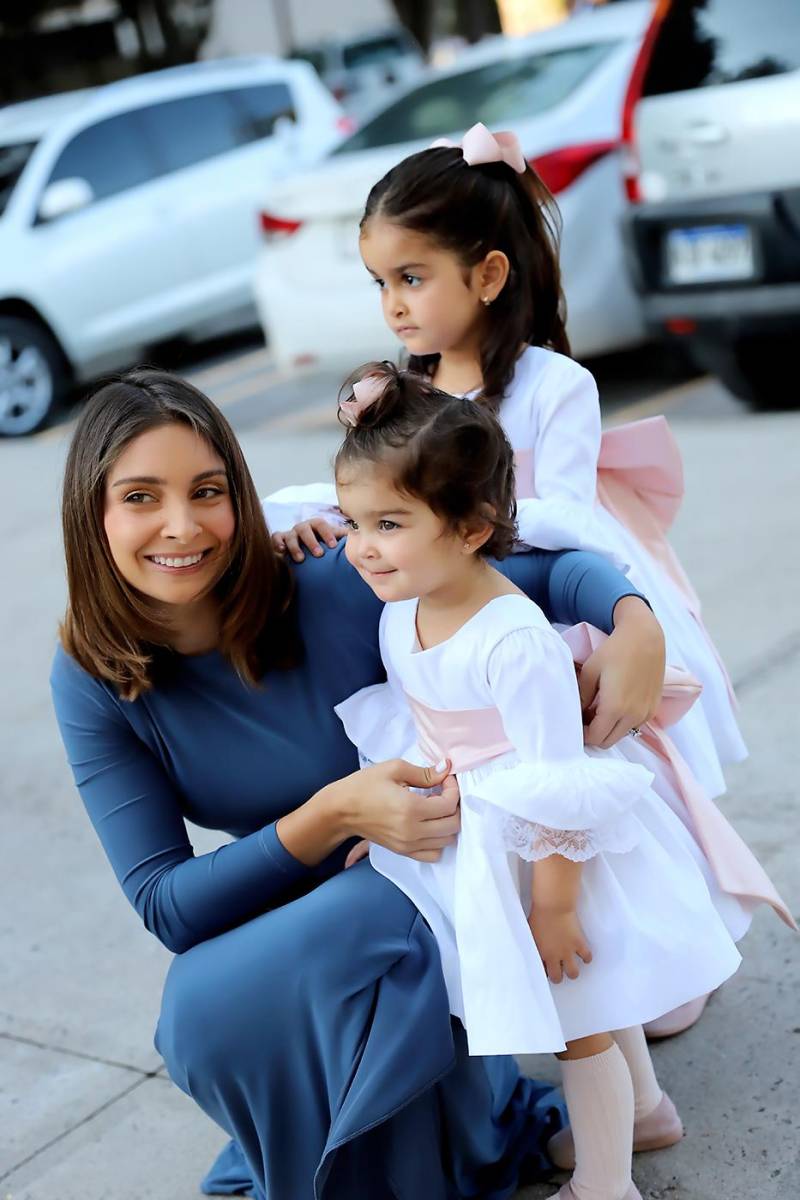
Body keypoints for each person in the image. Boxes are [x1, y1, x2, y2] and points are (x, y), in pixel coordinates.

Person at [50, 369, 672, 1200]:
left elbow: (540, 567)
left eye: (207, 491)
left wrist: (635, 618)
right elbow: (166, 903)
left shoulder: (331, 579)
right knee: (204, 1013)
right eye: (139, 497)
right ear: (92, 516)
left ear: (238, 493)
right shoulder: (89, 676)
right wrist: (335, 811)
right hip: (316, 901)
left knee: (211, 1004)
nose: (181, 525)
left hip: (422, 882)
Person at [329, 365, 786, 1200]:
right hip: (485, 836)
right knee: (595, 1006)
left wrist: (556, 905)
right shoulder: (405, 608)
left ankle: (607, 1188)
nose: (362, 545)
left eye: (388, 523)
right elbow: (419, 726)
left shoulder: (514, 641)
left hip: (551, 855)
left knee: (579, 1028)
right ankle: (642, 1109)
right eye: (353, 520)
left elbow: (557, 782)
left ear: (472, 526)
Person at [270, 122, 743, 815]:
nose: (392, 303)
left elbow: (572, 518)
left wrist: (472, 521)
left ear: (488, 274)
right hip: (445, 608)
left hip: (538, 604)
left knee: (580, 782)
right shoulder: (403, 396)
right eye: (380, 282)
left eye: (411, 277)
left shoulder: (554, 387)